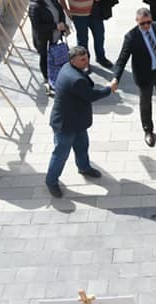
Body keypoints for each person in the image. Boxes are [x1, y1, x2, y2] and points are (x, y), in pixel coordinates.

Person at [46, 45, 116, 198]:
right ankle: (51, 181)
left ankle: (84, 167)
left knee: (82, 145)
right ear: (73, 60)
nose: (86, 62)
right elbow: (91, 95)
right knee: (60, 154)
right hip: (65, 124)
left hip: (76, 120)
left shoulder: (68, 67)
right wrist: (109, 89)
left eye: (87, 58)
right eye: (82, 59)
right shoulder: (75, 79)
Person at [111, 8, 156, 148]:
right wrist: (115, 78)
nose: (146, 26)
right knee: (145, 103)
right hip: (144, 75)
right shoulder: (131, 37)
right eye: (142, 23)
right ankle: (148, 130)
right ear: (137, 22)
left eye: (148, 22)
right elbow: (122, 59)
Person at [28, 0, 68, 96]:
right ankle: (48, 79)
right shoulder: (34, 7)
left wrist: (62, 23)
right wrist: (55, 26)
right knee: (45, 58)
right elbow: (37, 27)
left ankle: (59, 75)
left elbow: (59, 9)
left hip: (56, 35)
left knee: (58, 55)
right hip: (44, 38)